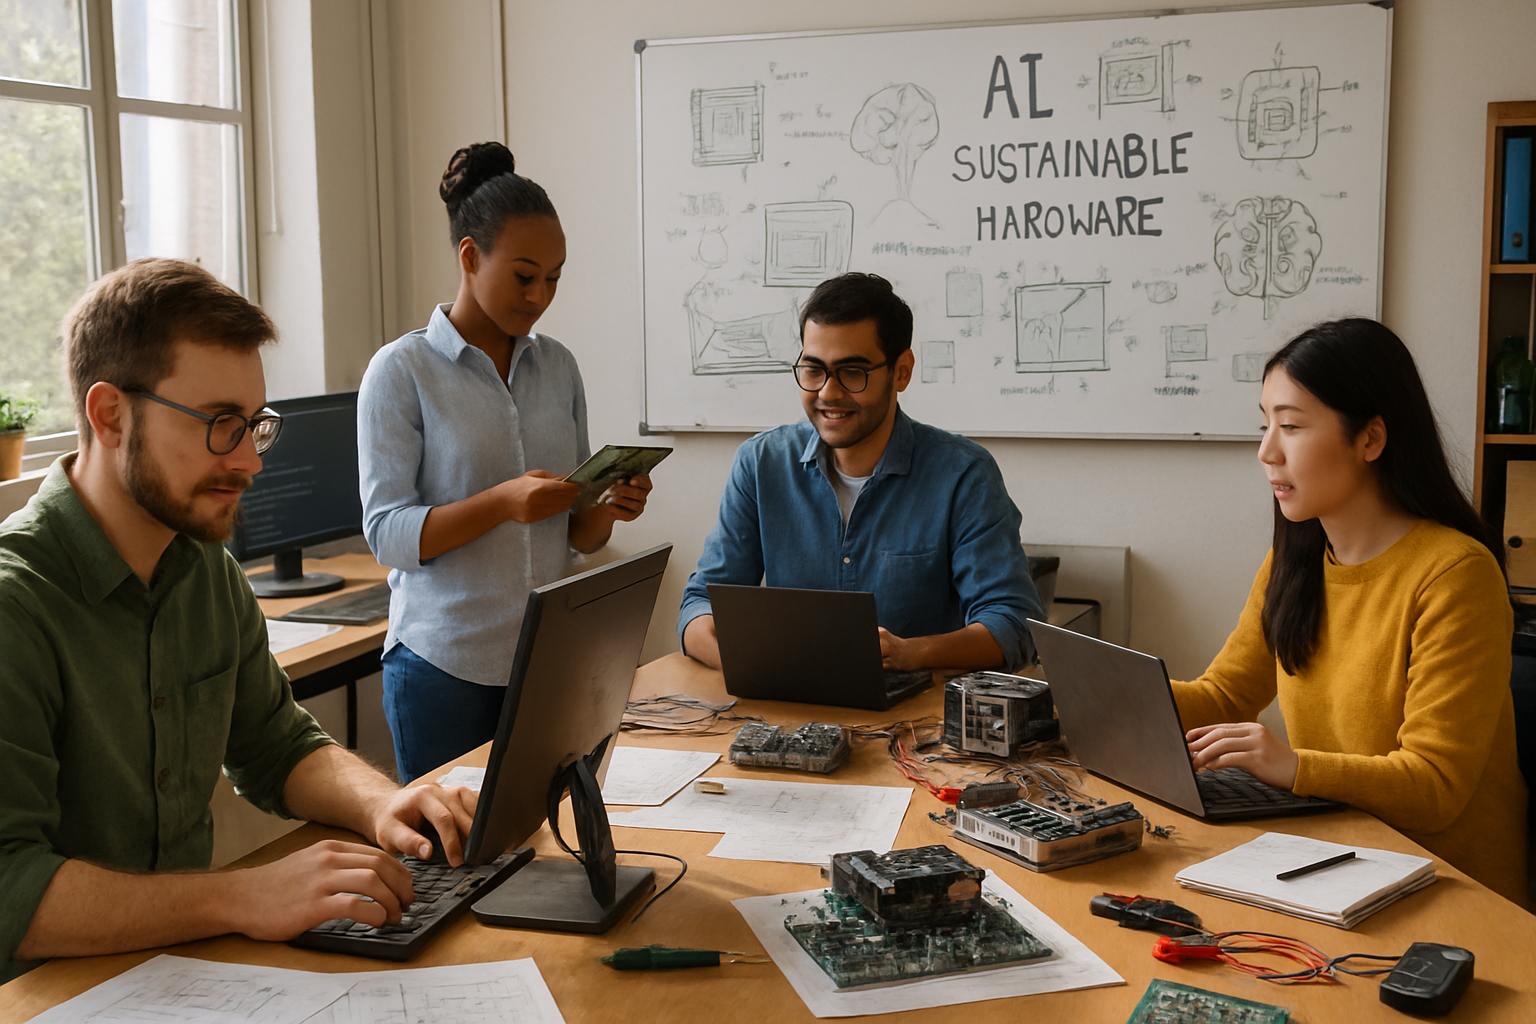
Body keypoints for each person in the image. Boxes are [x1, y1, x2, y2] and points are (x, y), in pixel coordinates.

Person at [0, 259, 478, 983]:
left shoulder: (203, 569)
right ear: (109, 416)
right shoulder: (17, 606)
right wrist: (241, 895)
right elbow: (10, 892)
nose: (251, 462)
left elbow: (274, 744)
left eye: (256, 424)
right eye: (221, 425)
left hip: (183, 972)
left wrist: (384, 803)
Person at [1173, 318, 1527, 905]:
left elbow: (1435, 786)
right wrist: (1086, 700)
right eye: (1265, 426)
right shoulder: (1295, 559)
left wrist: (1290, 766)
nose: (1266, 452)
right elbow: (1222, 696)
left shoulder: (1456, 575)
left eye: (1290, 426)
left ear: (1369, 439)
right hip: (1336, 863)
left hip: (1455, 892)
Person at [359, 142, 651, 783]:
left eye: (554, 277)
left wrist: (607, 509)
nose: (541, 294)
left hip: (547, 662)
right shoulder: (402, 371)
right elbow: (387, 536)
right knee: (454, 868)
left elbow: (575, 534)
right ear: (470, 257)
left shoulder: (559, 367)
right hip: (443, 665)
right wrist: (501, 503)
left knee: (551, 857)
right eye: (525, 276)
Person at [678, 272, 1042, 673]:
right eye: (813, 370)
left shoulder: (963, 475)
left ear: (901, 371)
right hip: (789, 711)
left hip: (915, 720)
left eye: (853, 372)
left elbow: (1013, 625)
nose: (828, 393)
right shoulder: (761, 463)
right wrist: (761, 668)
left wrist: (908, 653)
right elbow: (701, 605)